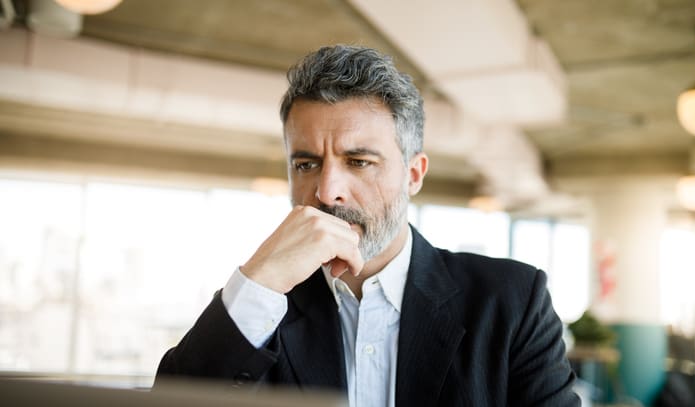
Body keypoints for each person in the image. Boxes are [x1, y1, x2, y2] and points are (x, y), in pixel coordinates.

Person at [155, 44, 580, 406]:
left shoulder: (512, 302)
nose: (326, 191)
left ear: (414, 174)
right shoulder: (260, 308)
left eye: (359, 162)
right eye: (306, 164)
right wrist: (259, 280)